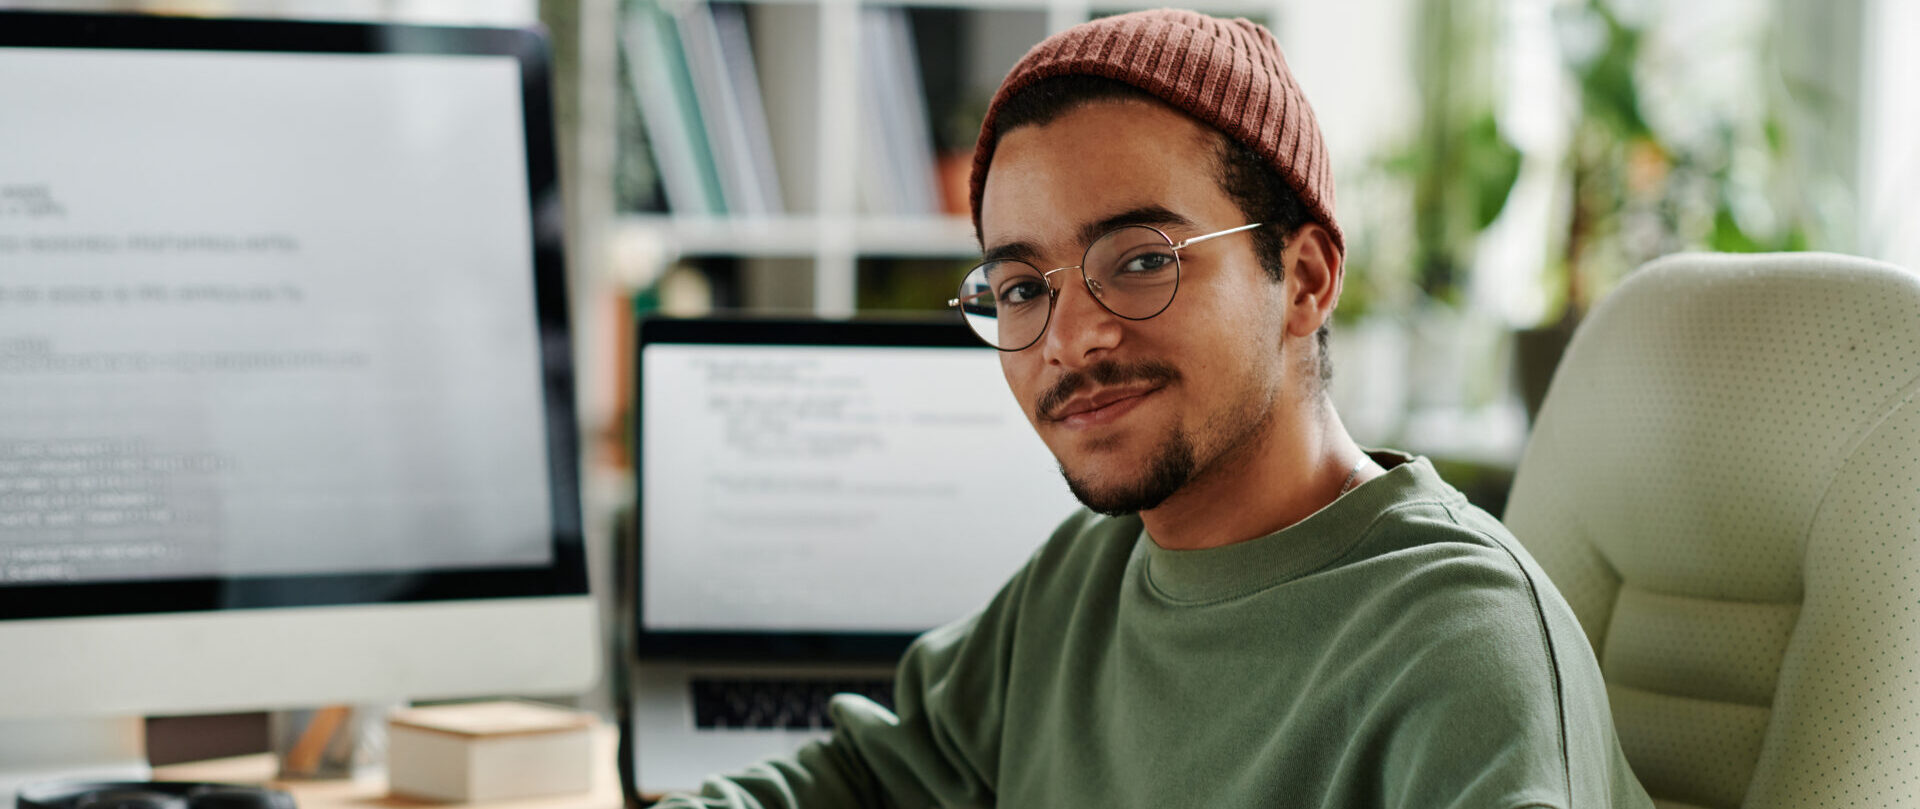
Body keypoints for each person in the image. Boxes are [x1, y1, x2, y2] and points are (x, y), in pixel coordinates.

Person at [657, 9, 1652, 808]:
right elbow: (868, 779)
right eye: (1019, 287)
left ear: (1303, 277)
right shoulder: (1086, 579)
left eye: (1140, 262)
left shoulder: (1463, 647)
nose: (1070, 337)